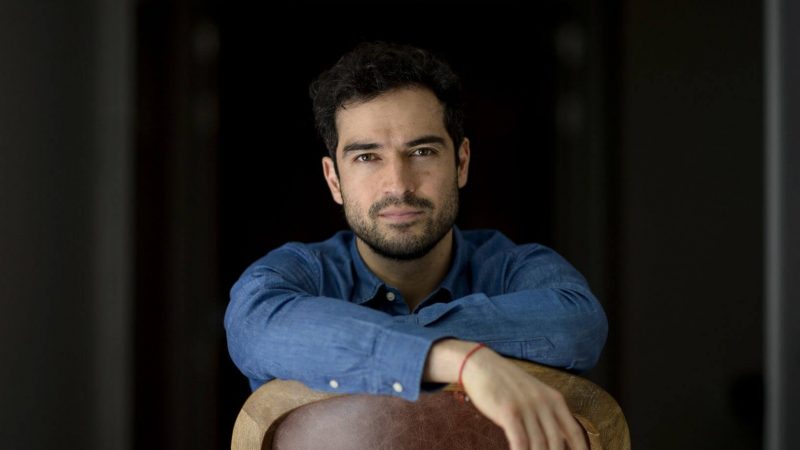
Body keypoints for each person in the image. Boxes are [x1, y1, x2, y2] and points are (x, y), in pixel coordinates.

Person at [225, 41, 608, 450]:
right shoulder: (296, 275)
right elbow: (253, 327)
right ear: (334, 180)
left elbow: (577, 327)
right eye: (367, 157)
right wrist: (461, 359)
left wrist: (370, 347)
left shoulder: (516, 269)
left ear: (461, 163)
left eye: (422, 151)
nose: (398, 185)